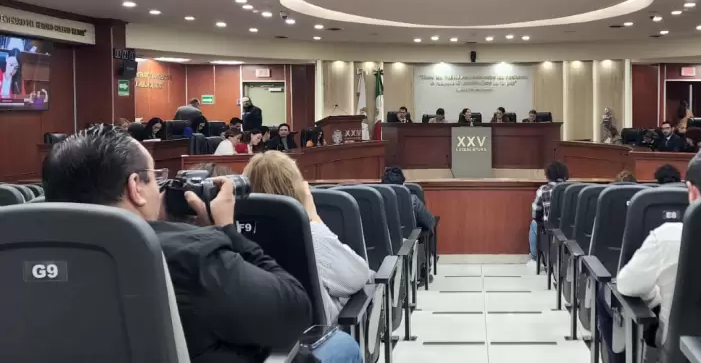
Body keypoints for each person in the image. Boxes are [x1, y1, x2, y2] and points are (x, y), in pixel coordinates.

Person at [40, 125, 319, 363]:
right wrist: (227, 230)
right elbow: (295, 312)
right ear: (135, 187)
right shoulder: (193, 256)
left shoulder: (29, 255)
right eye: (155, 178)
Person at [615, 148, 701, 357]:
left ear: (692, 191)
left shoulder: (668, 236)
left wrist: (656, 296)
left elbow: (627, 285)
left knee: (605, 295)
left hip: (684, 351)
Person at [244, 151, 372, 326]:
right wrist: (314, 219)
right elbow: (358, 277)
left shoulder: (235, 235)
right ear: (297, 189)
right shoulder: (309, 235)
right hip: (312, 335)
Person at [529, 161, 569, 267]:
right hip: (570, 230)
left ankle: (535, 259)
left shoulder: (543, 190)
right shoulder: (573, 190)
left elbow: (535, 213)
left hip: (551, 230)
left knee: (534, 224)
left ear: (548, 175)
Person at [380, 167, 436, 231]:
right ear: (403, 185)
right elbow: (430, 222)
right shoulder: (412, 200)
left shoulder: (376, 200)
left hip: (380, 237)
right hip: (407, 237)